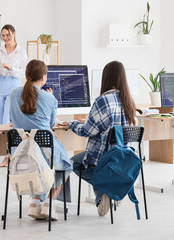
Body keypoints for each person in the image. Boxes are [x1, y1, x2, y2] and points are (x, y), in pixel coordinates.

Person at [65, 61, 137, 217]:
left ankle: (105, 191)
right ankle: (114, 188)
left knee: (71, 163)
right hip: (124, 159)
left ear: (106, 78)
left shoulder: (103, 100)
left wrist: (72, 123)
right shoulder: (129, 101)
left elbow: (87, 131)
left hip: (104, 159)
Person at [9, 59, 72, 220]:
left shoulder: (14, 94)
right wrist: (50, 97)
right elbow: (51, 124)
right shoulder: (49, 99)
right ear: (43, 77)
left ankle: (36, 202)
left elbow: (13, 119)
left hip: (20, 149)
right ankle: (48, 203)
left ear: (26, 74)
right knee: (65, 165)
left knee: (46, 166)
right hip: (44, 148)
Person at [0, 24, 28, 167]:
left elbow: (24, 73)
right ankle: (4, 155)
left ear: (14, 34)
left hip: (13, 86)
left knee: (8, 121)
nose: (5, 38)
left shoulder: (21, 51)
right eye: (3, 36)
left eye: (8, 35)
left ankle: (11, 155)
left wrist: (10, 68)